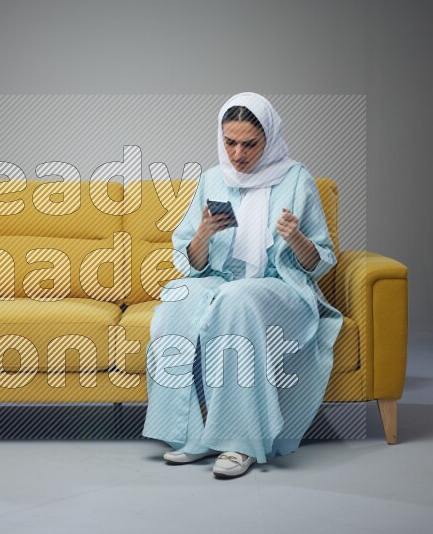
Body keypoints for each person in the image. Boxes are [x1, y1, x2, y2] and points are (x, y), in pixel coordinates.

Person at [141, 92, 344, 479]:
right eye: (229, 142)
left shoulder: (297, 179)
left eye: (249, 144)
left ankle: (240, 442)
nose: (238, 154)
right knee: (178, 301)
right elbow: (192, 263)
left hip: (278, 286)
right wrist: (202, 234)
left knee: (236, 299)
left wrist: (296, 237)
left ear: (269, 138)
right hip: (220, 280)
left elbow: (320, 264)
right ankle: (191, 434)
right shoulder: (212, 180)